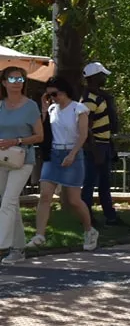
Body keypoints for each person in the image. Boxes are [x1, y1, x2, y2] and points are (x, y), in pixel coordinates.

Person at [28, 77, 98, 251]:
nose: (53, 98)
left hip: (72, 153)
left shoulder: (78, 108)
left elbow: (82, 135)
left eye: (55, 94)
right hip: (53, 154)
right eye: (49, 94)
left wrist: (73, 154)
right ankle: (39, 235)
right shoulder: (52, 109)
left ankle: (89, 230)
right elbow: (44, 131)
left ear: (65, 91)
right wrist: (44, 110)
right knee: (45, 195)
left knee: (74, 200)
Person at [0, 66, 43, 265]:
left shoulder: (31, 106)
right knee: (11, 204)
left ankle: (2, 243)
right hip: (2, 160)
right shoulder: (1, 106)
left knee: (8, 201)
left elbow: (40, 136)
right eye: (13, 79)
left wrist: (16, 141)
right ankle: (18, 249)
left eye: (20, 79)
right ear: (4, 82)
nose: (17, 83)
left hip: (23, 159)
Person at [79, 62, 123, 227]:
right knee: (90, 183)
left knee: (104, 183)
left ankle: (110, 216)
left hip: (103, 145)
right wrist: (94, 149)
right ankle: (87, 217)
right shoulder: (89, 100)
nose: (105, 78)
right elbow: (85, 127)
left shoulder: (98, 97)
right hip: (95, 146)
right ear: (94, 77)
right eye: (102, 75)